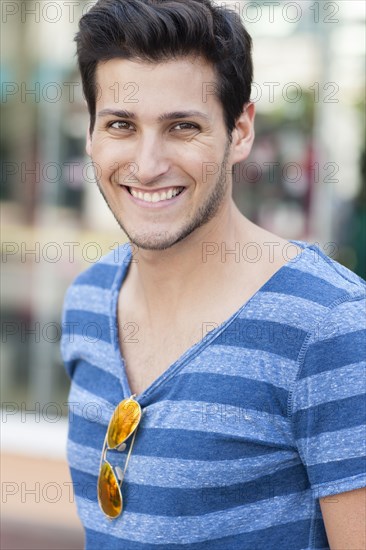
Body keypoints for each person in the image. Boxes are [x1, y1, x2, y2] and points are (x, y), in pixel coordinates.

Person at [61, 0, 366, 548]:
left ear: (240, 130)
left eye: (182, 126)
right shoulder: (86, 301)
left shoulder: (332, 327)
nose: (148, 163)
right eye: (121, 125)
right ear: (91, 134)